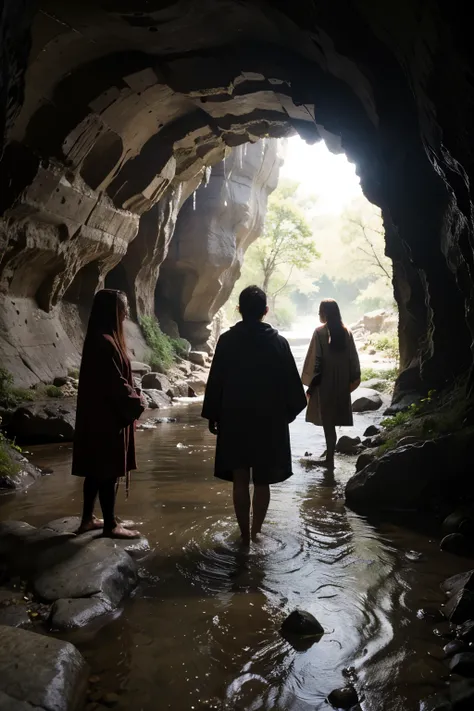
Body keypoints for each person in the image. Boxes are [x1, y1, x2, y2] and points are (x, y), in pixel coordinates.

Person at [202, 285, 307, 546]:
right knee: (262, 480)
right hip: (268, 421)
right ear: (265, 311)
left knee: (240, 477)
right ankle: (257, 533)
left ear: (239, 310)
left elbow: (216, 382)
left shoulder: (226, 341)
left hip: (235, 418)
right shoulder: (279, 343)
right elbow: (293, 388)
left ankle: (244, 535)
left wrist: (213, 415)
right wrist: (286, 415)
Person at [72, 289, 145, 538]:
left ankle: (88, 519)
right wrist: (137, 402)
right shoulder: (103, 341)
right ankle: (110, 525)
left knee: (95, 468)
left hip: (99, 415)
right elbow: (115, 382)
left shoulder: (101, 338)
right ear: (112, 312)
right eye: (123, 310)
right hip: (105, 418)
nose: (125, 315)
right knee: (107, 469)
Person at [302, 298, 361, 469]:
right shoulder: (346, 332)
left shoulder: (319, 333)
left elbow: (316, 361)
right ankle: (330, 457)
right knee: (334, 420)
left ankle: (329, 459)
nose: (319, 315)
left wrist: (311, 384)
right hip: (342, 382)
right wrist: (353, 379)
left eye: (320, 311)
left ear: (325, 313)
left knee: (328, 422)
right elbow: (353, 359)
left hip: (325, 382)